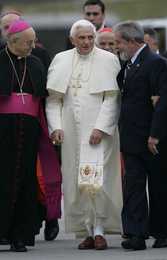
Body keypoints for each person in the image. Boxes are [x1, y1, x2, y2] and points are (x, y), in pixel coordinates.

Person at [46, 19, 122, 250]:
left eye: (90, 37)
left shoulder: (108, 60)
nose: (87, 42)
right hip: (70, 133)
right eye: (82, 38)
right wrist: (56, 127)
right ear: (72, 39)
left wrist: (101, 127)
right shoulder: (61, 60)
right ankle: (87, 231)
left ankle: (100, 230)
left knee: (97, 181)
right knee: (76, 182)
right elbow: (54, 100)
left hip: (99, 133)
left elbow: (112, 97)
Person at [0, 19, 61, 252]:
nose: (32, 46)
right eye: (28, 42)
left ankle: (19, 235)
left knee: (26, 181)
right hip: (3, 131)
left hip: (29, 132)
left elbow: (44, 101)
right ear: (13, 41)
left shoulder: (36, 63)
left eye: (33, 41)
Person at [114, 21, 167, 250]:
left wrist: (155, 135)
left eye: (119, 42)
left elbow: (163, 102)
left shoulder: (155, 63)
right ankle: (137, 234)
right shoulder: (128, 64)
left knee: (159, 187)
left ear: (132, 41)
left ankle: (161, 232)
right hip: (131, 137)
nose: (117, 46)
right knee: (134, 186)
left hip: (152, 138)